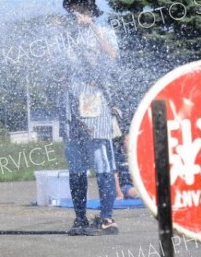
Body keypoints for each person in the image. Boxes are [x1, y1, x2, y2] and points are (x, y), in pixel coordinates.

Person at [61, 0, 120, 236]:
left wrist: (93, 29)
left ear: (91, 11)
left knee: (102, 160)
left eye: (81, 8)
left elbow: (112, 55)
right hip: (70, 101)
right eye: (73, 8)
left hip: (94, 98)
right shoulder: (65, 36)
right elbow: (54, 66)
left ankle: (106, 217)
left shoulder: (104, 31)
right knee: (76, 165)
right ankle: (80, 218)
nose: (77, 13)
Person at [113, 135, 139, 200]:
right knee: (137, 193)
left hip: (135, 185)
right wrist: (119, 193)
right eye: (128, 141)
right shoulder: (117, 157)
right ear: (122, 144)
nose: (131, 143)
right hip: (124, 186)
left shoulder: (135, 156)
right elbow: (115, 176)